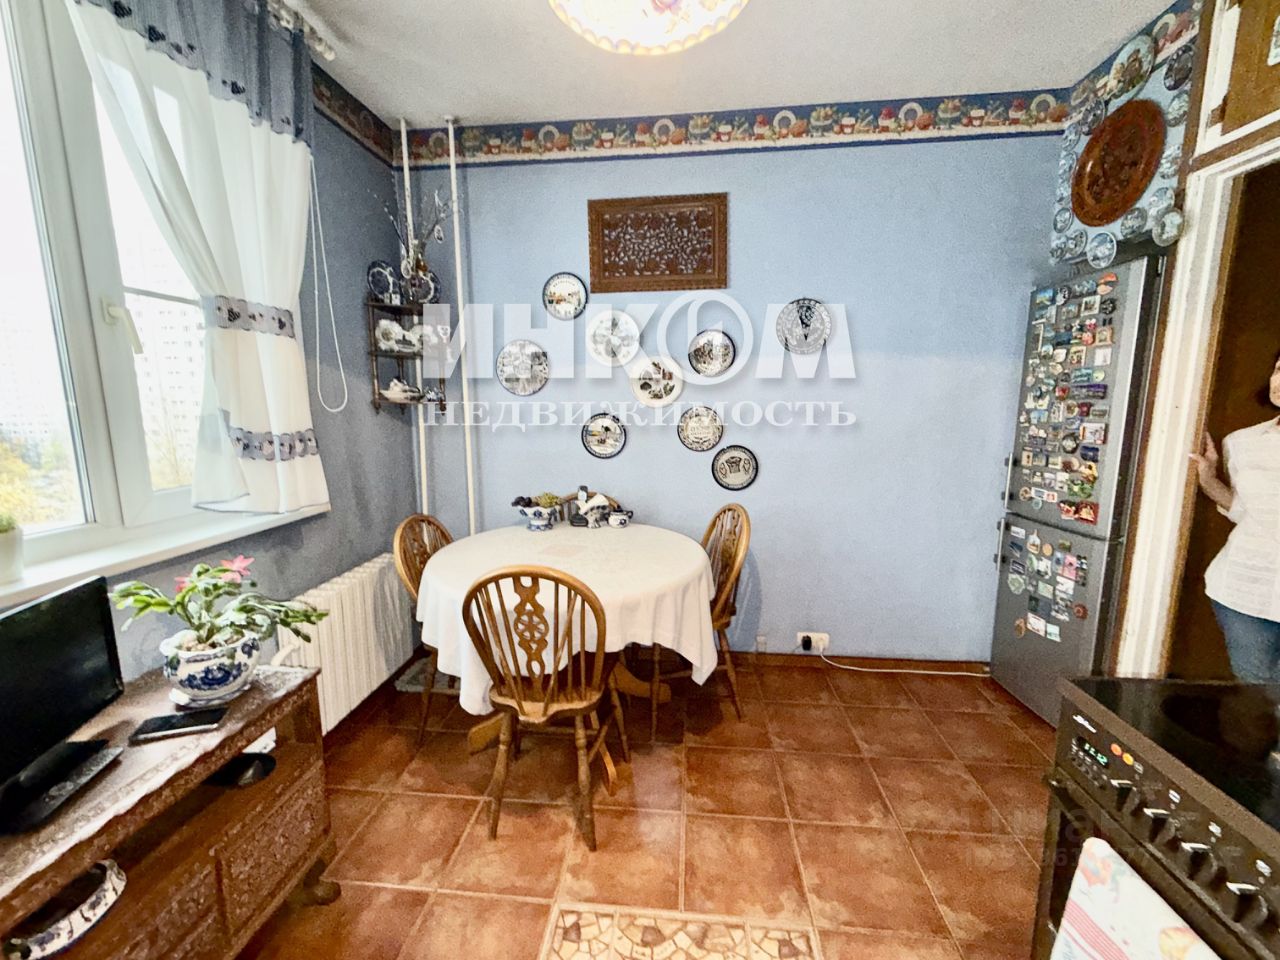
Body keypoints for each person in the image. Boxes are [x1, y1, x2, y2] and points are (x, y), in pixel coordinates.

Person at [1191, 351, 1280, 681]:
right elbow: (1242, 510)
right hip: (1244, 591)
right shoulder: (1242, 443)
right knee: (1258, 694)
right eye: (1278, 369)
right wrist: (1209, 480)